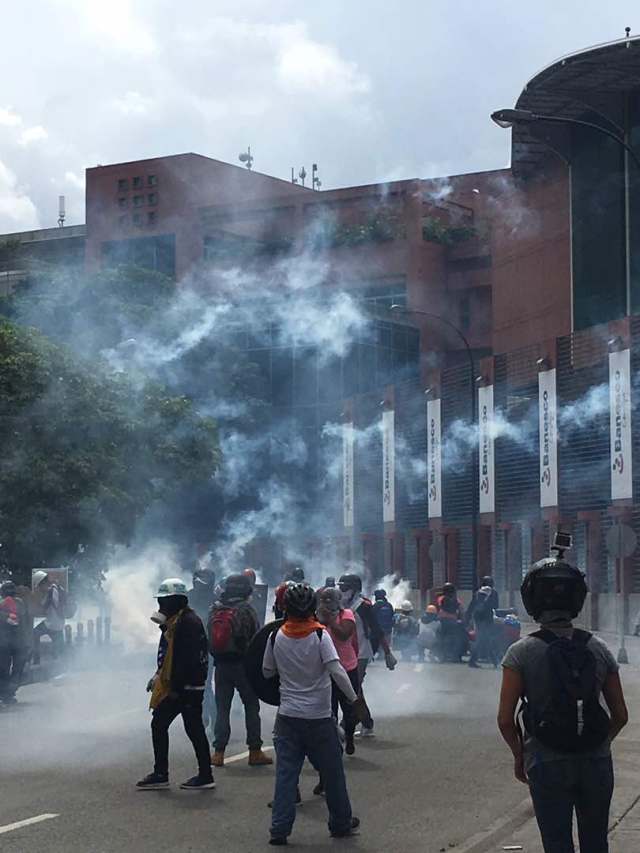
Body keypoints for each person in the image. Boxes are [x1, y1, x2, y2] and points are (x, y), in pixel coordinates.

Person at [497, 555, 628, 853]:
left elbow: (505, 719)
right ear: (578, 599)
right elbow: (620, 714)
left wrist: (520, 756)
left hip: (545, 760)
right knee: (596, 842)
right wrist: (597, 743)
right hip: (595, 761)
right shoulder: (599, 647)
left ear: (531, 599)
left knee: (557, 844)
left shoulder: (520, 652)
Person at [263, 581, 360, 845]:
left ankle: (279, 829)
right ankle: (340, 823)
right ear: (312, 609)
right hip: (318, 718)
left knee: (286, 775)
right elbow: (336, 670)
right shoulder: (319, 635)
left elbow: (266, 672)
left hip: (287, 718)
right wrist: (353, 699)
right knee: (332, 773)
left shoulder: (276, 636)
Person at [137, 578, 215, 790]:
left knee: (169, 725)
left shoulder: (186, 623)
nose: (160, 606)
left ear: (176, 601)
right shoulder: (177, 622)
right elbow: (168, 655)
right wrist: (158, 676)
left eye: (164, 601)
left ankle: (166, 773)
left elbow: (184, 660)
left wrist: (176, 690)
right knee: (190, 727)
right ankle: (200, 774)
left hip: (186, 687)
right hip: (186, 686)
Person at [210, 574, 272, 767]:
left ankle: (218, 752)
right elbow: (257, 637)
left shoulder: (215, 608)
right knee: (251, 707)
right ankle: (255, 751)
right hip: (243, 666)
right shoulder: (247, 610)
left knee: (222, 709)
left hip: (221, 665)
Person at [338, 574, 396, 738]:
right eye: (340, 587)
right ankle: (366, 722)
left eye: (344, 587)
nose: (341, 590)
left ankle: (344, 726)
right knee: (355, 690)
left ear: (354, 589)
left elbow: (376, 630)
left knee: (351, 689)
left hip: (361, 652)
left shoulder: (363, 606)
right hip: (344, 652)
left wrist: (387, 653)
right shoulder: (340, 605)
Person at [316, 586, 360, 756]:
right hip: (326, 671)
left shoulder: (346, 615)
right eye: (323, 599)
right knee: (329, 710)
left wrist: (331, 621)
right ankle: (334, 744)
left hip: (347, 667)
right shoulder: (318, 617)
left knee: (349, 709)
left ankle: (349, 736)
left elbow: (344, 635)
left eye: (330, 599)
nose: (326, 603)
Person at [188, 567, 217, 732]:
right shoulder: (215, 599)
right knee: (205, 686)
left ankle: (204, 719)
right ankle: (208, 720)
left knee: (200, 686)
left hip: (197, 647)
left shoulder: (190, 597)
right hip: (208, 648)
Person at [0, 581, 29, 704]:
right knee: (16, 669)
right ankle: (8, 693)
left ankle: (5, 693)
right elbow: (25, 622)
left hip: (6, 643)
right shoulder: (20, 603)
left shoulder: (3, 604)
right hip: (17, 642)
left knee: (4, 669)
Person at [32, 571, 66, 665]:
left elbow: (43, 607)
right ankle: (59, 662)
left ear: (43, 583)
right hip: (60, 622)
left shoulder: (51, 591)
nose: (39, 588)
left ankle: (36, 661)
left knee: (34, 634)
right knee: (58, 645)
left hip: (51, 623)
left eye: (39, 585)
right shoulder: (59, 588)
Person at [467, 584, 499, 669]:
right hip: (483, 624)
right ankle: (494, 661)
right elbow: (484, 613)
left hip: (481, 623)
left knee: (484, 642)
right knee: (484, 642)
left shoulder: (479, 599)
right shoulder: (484, 601)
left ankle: (494, 661)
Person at [436, 582, 467, 662]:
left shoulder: (441, 599)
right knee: (458, 638)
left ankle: (442, 656)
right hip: (453, 622)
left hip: (442, 622)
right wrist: (463, 620)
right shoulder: (456, 600)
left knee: (441, 638)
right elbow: (461, 611)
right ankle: (456, 656)